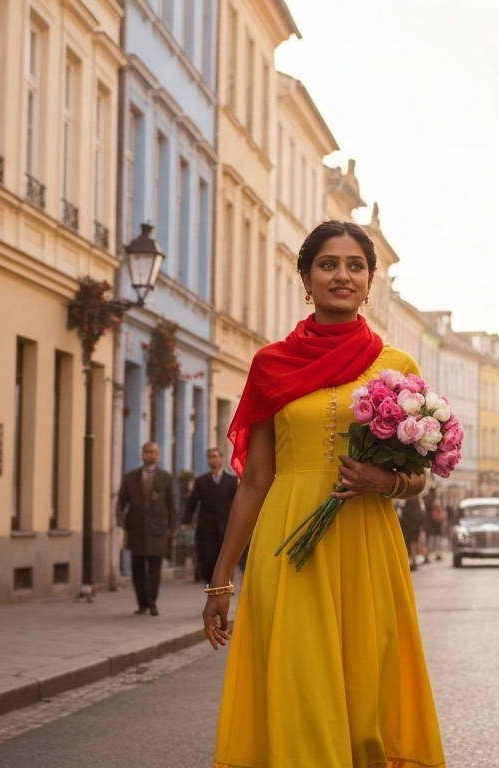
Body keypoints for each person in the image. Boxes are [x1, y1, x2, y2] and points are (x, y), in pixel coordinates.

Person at [202, 220, 444, 768]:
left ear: (370, 282)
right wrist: (221, 581)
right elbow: (255, 480)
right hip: (287, 546)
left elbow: (418, 477)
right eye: (328, 264)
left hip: (366, 545)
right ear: (307, 279)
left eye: (355, 266)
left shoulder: (397, 368)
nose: (342, 275)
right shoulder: (270, 363)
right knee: (299, 683)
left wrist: (386, 482)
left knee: (367, 686)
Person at [117, 441, 177, 616]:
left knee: (154, 567)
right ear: (143, 454)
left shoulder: (165, 478)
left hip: (157, 529)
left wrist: (173, 526)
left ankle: (152, 602)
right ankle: (141, 603)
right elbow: (121, 502)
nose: (152, 454)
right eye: (149, 451)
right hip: (136, 528)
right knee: (137, 567)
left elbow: (171, 504)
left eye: (155, 452)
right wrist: (120, 519)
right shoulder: (130, 478)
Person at [183, 447, 237, 585]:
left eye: (216, 456)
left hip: (226, 526)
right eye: (211, 457)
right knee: (208, 557)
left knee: (226, 556)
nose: (214, 459)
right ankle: (211, 582)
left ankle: (225, 583)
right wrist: (186, 521)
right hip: (207, 527)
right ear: (208, 460)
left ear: (222, 459)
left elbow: (238, 503)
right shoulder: (201, 481)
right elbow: (193, 502)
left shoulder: (231, 481)